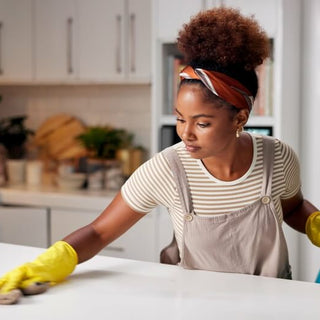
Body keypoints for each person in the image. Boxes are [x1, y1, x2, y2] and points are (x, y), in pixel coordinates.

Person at [1, 7, 319, 305]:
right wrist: (48, 264)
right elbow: (99, 232)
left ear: (239, 118)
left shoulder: (277, 157)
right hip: (198, 304)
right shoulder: (168, 168)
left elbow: (291, 208)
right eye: (180, 118)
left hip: (273, 303)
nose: (186, 133)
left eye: (202, 123)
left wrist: (315, 224)